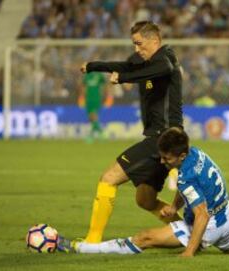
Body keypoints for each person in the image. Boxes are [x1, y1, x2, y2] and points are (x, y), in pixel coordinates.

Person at [58, 127, 229, 258]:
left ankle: (82, 248)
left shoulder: (185, 176)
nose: (162, 162)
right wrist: (175, 206)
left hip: (209, 225)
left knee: (144, 238)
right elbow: (193, 190)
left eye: (167, 158)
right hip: (226, 218)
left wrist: (189, 253)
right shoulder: (197, 154)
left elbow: (201, 214)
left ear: (180, 156)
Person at [78, 21, 183, 244]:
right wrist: (95, 66)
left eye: (139, 44)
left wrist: (124, 78)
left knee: (108, 179)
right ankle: (189, 233)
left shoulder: (166, 57)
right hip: (161, 138)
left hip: (163, 137)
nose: (136, 49)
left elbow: (161, 69)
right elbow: (127, 66)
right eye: (134, 44)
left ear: (155, 41)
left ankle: (92, 241)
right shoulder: (145, 61)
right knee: (145, 199)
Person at [80, 71, 108, 141]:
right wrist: (83, 96)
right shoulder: (87, 76)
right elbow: (83, 86)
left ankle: (95, 134)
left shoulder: (99, 75)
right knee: (91, 117)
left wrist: (104, 95)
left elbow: (105, 85)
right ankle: (98, 133)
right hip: (88, 99)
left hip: (96, 98)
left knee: (93, 115)